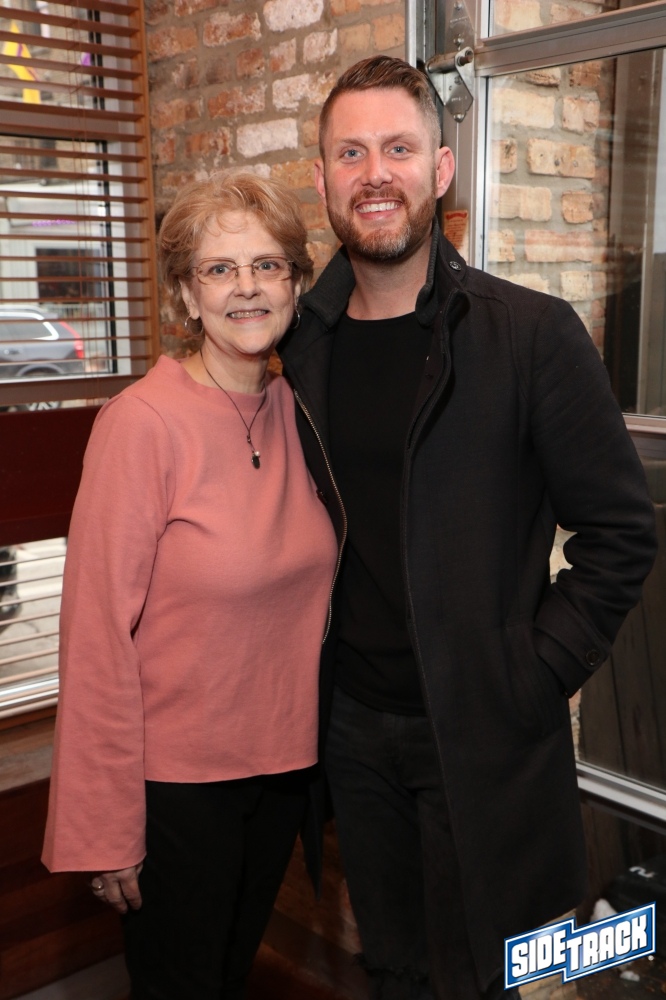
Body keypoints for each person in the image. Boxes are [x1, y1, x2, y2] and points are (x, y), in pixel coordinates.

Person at [277, 56, 657, 1000]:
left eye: (398, 149)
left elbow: (620, 531)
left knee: (491, 974)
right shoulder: (301, 343)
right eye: (351, 153)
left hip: (484, 732)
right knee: (394, 966)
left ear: (441, 170)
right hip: (353, 730)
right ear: (322, 179)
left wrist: (533, 672)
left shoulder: (530, 335)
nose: (375, 173)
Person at [42, 173, 338, 1000]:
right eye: (218, 269)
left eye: (268, 265)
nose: (247, 287)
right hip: (176, 790)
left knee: (230, 977)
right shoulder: (141, 424)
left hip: (283, 773)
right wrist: (105, 826)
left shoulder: (300, 410)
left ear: (295, 285)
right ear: (185, 293)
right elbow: (95, 635)